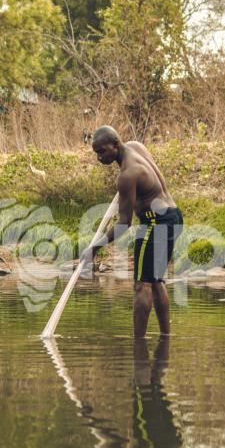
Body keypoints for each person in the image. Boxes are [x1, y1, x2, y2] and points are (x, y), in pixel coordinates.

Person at [81, 126, 183, 338]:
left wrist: (94, 248)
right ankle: (165, 338)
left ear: (115, 145)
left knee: (141, 284)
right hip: (173, 216)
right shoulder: (137, 147)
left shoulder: (127, 175)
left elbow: (124, 224)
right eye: (96, 153)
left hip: (155, 224)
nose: (99, 158)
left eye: (102, 152)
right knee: (156, 281)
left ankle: (138, 343)